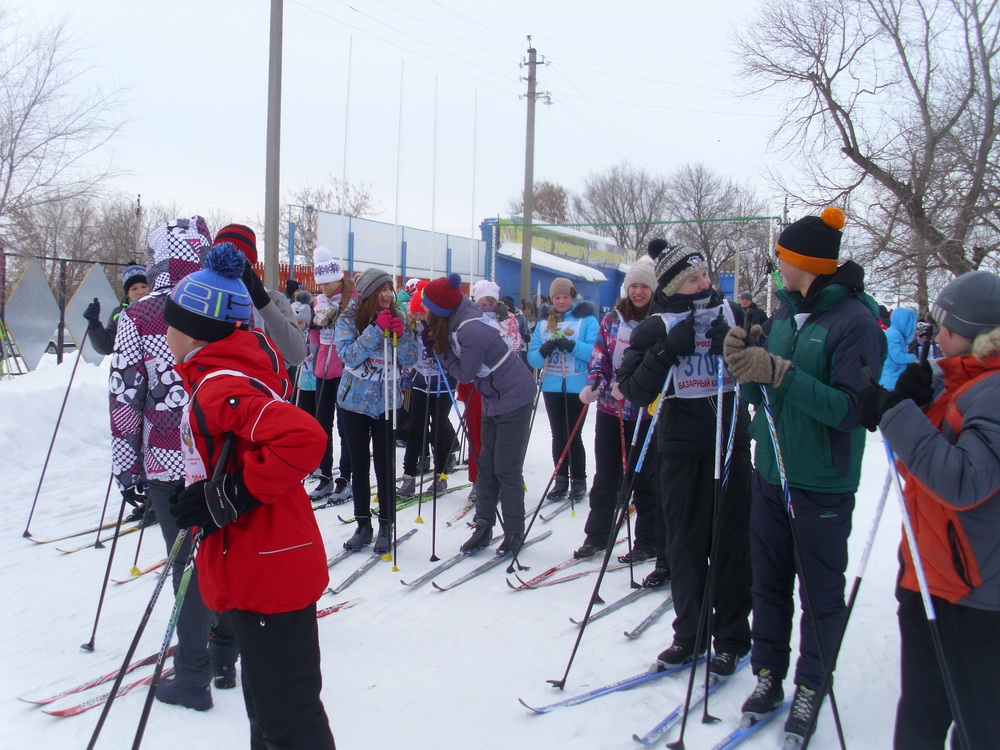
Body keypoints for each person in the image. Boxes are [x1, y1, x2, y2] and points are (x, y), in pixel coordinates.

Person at [722, 207, 886, 744]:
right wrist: (746, 368)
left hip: (820, 485)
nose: (776, 267)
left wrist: (781, 372)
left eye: (783, 259)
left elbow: (849, 410)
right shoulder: (787, 316)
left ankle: (813, 684)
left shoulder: (856, 322)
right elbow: (761, 396)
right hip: (771, 473)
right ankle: (768, 674)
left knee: (818, 595)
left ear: (806, 264)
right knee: (768, 585)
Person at [163, 242, 335, 749]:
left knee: (288, 716)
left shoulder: (219, 384)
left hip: (268, 567)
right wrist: (213, 495)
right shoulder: (218, 376)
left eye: (170, 324)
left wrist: (229, 498)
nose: (164, 334)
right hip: (258, 563)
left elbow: (305, 438)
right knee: (268, 707)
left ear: (192, 332)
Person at [856, 270, 1000, 750]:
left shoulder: (994, 393)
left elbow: (963, 482)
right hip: (927, 572)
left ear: (982, 338)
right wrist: (915, 398)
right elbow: (921, 468)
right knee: (920, 712)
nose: (936, 338)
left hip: (973, 592)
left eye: (948, 330)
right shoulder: (957, 380)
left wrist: (897, 414)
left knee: (978, 723)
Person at [109, 216, 239, 709]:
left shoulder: (141, 315)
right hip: (219, 457)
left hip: (166, 464)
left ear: (156, 254)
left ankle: (192, 677)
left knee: (188, 566)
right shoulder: (225, 303)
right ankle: (226, 655)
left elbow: (125, 397)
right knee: (222, 554)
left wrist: (127, 469)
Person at [618, 240, 752, 674]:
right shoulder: (655, 326)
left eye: (705, 275)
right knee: (685, 546)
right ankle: (689, 636)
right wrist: (665, 351)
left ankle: (732, 638)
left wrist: (734, 349)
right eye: (694, 279)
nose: (705, 284)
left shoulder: (735, 315)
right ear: (675, 286)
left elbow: (762, 365)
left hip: (728, 444)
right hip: (678, 449)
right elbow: (634, 390)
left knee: (730, 546)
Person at [420, 273, 537, 554]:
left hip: (514, 397)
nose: (424, 313)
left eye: (427, 308)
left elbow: (464, 373)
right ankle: (483, 526)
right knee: (486, 466)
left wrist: (439, 347)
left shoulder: (470, 330)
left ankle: (514, 533)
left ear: (440, 310)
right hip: (493, 398)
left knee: (505, 468)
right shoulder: (459, 319)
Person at [575, 258, 665, 573]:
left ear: (653, 289)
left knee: (643, 478)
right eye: (634, 286)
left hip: (645, 414)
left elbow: (657, 365)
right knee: (606, 475)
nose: (638, 292)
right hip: (611, 411)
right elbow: (600, 356)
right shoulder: (613, 319)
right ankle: (596, 535)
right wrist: (594, 385)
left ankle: (647, 541)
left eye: (644, 286)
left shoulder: (660, 321)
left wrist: (631, 387)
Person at [334, 268, 418, 553]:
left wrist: (402, 335)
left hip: (387, 403)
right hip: (354, 403)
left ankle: (386, 524)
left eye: (389, 288)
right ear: (369, 292)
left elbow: (410, 359)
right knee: (359, 465)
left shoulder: (400, 316)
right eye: (382, 289)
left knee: (385, 466)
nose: (387, 294)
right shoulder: (348, 318)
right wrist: (373, 331)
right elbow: (348, 356)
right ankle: (363, 524)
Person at [526, 278, 599, 502]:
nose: (561, 301)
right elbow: (533, 359)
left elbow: (596, 353)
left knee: (573, 434)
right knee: (558, 434)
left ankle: (579, 480)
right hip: (552, 385)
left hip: (578, 385)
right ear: (551, 299)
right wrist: (543, 351)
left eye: (565, 297)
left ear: (572, 297)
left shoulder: (587, 320)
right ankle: (561, 479)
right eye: (556, 297)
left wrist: (573, 346)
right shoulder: (543, 323)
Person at [214, 223, 306, 368]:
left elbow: (297, 355)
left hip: (262, 384)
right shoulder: (206, 297)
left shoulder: (274, 300)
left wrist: (261, 299)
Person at [396, 282, 457, 497]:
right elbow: (407, 356)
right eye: (416, 315)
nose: (419, 319)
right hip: (420, 382)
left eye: (423, 314)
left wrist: (438, 348)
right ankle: (409, 477)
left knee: (438, 429)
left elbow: (455, 355)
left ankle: (440, 476)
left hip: (442, 384)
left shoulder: (445, 327)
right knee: (415, 429)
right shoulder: (413, 330)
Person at [308, 247, 355, 504]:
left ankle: (345, 477)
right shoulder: (319, 301)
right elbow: (316, 340)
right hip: (322, 370)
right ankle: (325, 475)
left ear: (338, 278)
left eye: (329, 281)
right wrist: (316, 324)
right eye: (321, 283)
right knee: (321, 425)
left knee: (345, 427)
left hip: (346, 370)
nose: (325, 287)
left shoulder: (352, 299)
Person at [83, 263, 149, 356]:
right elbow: (107, 348)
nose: (141, 292)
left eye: (144, 286)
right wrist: (94, 324)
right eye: (134, 288)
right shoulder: (118, 313)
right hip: (130, 366)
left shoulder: (163, 309)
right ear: (127, 293)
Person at [879, 306, 917, 389]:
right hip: (891, 377)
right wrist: (913, 358)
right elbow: (897, 357)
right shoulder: (894, 334)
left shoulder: (894, 332)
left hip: (892, 374)